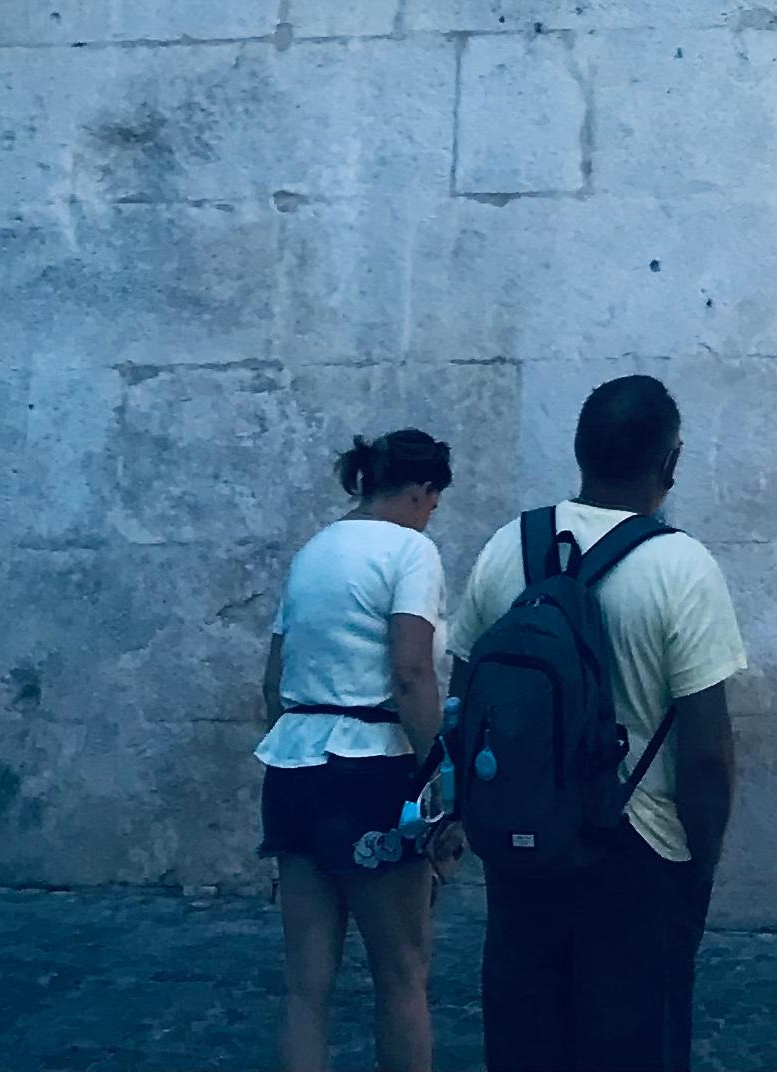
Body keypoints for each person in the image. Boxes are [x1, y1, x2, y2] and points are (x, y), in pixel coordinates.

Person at [443, 373, 748, 1072]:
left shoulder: (506, 549)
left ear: (579, 451)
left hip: (524, 845)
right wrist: (700, 864)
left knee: (526, 1044)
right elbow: (707, 752)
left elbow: (464, 708)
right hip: (637, 849)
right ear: (669, 463)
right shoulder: (682, 566)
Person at [258, 425, 458, 1072]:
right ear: (422, 492)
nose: (430, 516)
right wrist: (442, 776)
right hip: (372, 770)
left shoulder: (314, 551)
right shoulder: (409, 552)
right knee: (401, 974)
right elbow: (411, 672)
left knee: (304, 988)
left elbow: (273, 679)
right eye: (433, 502)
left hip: (293, 768)